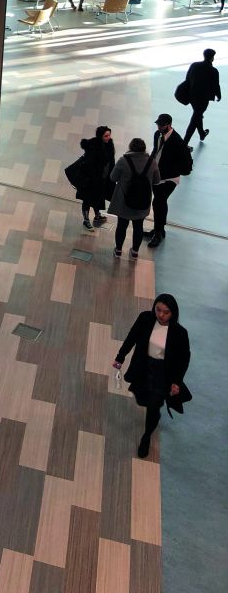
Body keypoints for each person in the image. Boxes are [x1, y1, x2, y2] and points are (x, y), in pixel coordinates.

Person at [112, 294, 190, 458]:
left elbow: (184, 359)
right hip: (143, 367)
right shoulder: (145, 319)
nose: (161, 315)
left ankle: (146, 436)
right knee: (142, 399)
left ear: (173, 313)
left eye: (166, 312)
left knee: (153, 406)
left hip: (163, 373)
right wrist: (120, 356)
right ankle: (154, 413)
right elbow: (131, 337)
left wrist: (177, 381)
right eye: (158, 310)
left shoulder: (180, 333)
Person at [143, 113, 192, 248]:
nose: (159, 127)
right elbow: (155, 151)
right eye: (158, 124)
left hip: (169, 178)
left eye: (161, 125)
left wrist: (169, 169)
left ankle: (158, 233)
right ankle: (159, 229)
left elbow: (183, 164)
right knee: (159, 202)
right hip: (157, 176)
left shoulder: (177, 141)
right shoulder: (157, 135)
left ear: (169, 125)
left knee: (158, 201)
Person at [108, 138, 160, 258]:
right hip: (142, 201)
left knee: (122, 225)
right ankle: (135, 251)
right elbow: (157, 181)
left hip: (124, 201)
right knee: (138, 226)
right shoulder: (152, 162)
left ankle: (118, 250)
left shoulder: (123, 160)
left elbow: (113, 177)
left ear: (130, 148)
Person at [75, 125, 115, 230]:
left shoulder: (109, 144)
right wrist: (94, 178)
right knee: (87, 199)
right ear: (100, 136)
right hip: (91, 179)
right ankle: (86, 220)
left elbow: (111, 161)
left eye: (109, 135)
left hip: (102, 178)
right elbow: (89, 165)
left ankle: (97, 215)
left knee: (98, 197)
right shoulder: (93, 146)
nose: (108, 138)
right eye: (106, 136)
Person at [182, 48, 221, 148]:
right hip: (203, 99)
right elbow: (216, 85)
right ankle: (183, 144)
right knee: (195, 119)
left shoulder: (194, 65)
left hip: (192, 96)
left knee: (197, 115)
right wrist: (219, 95)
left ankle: (202, 134)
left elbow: (187, 78)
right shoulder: (213, 71)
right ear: (212, 58)